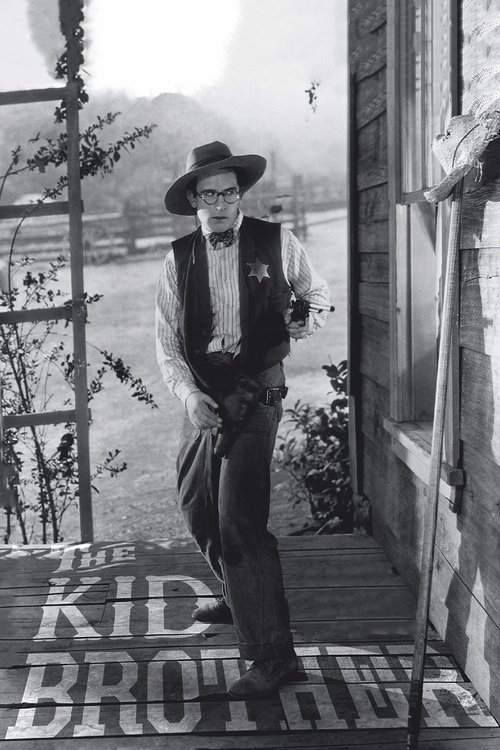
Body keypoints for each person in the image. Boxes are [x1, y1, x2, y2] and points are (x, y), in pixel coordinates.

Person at [155, 141, 330, 698]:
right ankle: (239, 593)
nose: (220, 204)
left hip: (258, 391)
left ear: (240, 195)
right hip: (204, 396)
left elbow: (317, 296)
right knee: (196, 502)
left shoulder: (277, 241)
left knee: (239, 519)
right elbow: (166, 342)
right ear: (193, 200)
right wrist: (188, 395)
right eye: (208, 195)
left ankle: (274, 656)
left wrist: (301, 321)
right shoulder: (178, 259)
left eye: (229, 193)